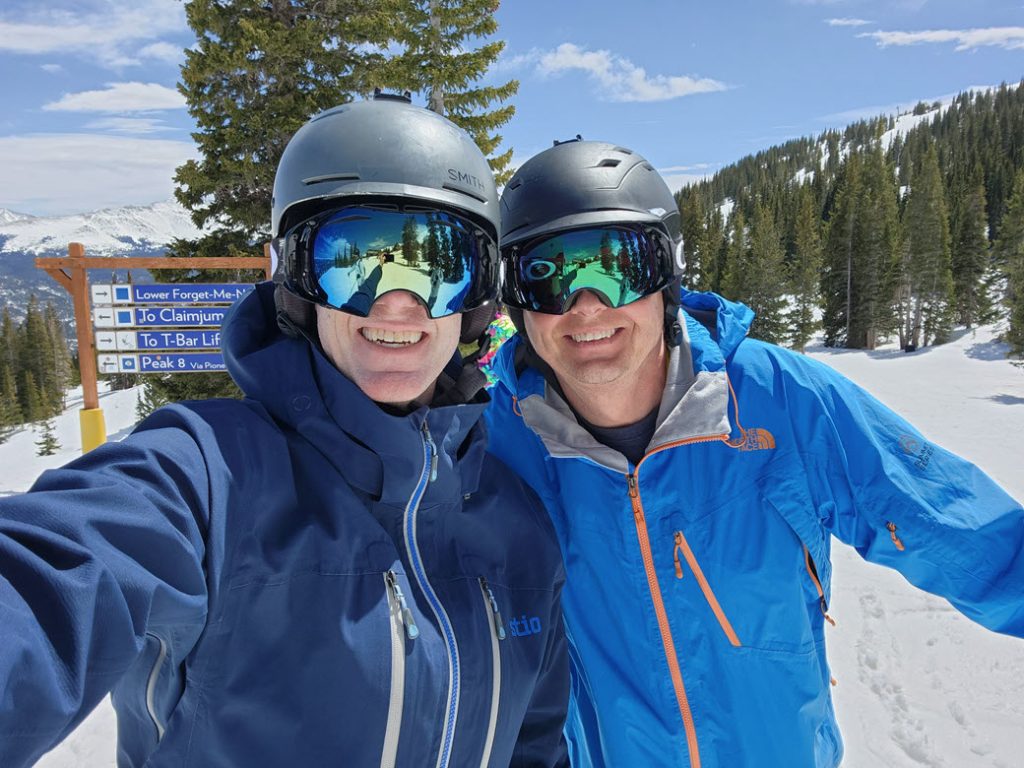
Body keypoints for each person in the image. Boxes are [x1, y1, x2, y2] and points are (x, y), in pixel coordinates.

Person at [0, 95, 569, 768]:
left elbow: (534, 745)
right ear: (297, 281)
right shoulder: (207, 479)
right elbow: (54, 577)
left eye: (439, 267)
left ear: (475, 299)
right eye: (354, 262)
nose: (397, 303)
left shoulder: (516, 524)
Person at [484, 137, 1024, 768]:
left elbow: (960, 528)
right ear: (515, 299)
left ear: (667, 274)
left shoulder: (781, 399)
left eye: (617, 266)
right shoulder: (494, 442)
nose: (586, 305)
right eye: (546, 276)